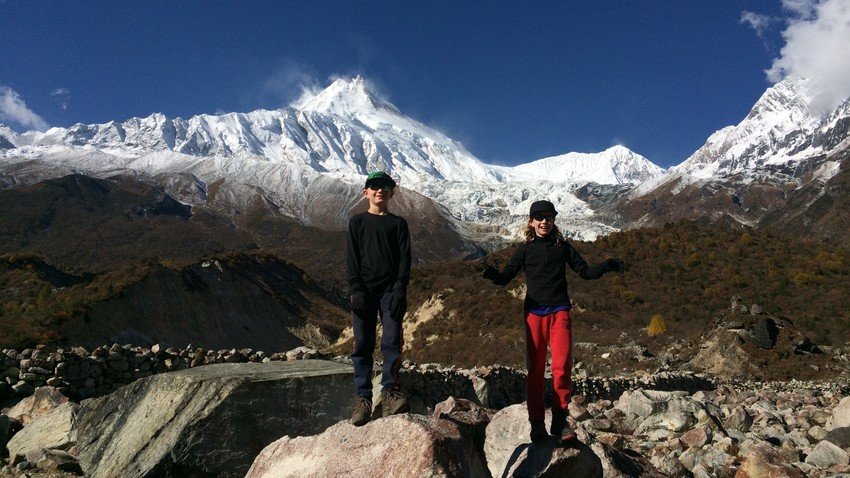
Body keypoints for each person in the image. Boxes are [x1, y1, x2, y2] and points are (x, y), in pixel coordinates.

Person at [483, 200, 624, 442]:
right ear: (531, 222)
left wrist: (608, 265)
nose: (544, 221)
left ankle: (560, 421)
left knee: (561, 369)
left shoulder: (563, 247)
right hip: (534, 314)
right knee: (535, 372)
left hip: (560, 312)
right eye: (539, 217)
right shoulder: (525, 250)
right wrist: (491, 274)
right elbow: (507, 276)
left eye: (548, 217)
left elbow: (586, 272)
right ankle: (536, 424)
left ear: (553, 221)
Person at [347, 171, 412, 426]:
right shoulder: (358, 222)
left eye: (385, 186)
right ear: (366, 192)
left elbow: (404, 259)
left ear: (392, 193)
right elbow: (351, 258)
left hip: (390, 292)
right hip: (364, 289)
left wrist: (399, 289)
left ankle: (389, 392)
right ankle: (363, 399)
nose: (380, 190)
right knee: (362, 344)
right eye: (374, 186)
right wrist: (356, 288)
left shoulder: (398, 224)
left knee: (391, 341)